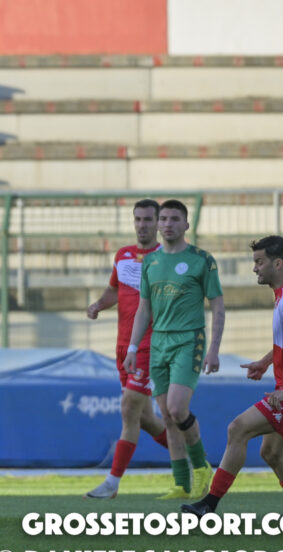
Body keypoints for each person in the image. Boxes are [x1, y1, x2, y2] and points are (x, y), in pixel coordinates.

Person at [182, 236, 283, 517]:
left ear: (278, 263)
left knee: (238, 428)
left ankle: (208, 505)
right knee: (271, 452)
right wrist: (266, 361)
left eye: (259, 262)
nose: (254, 268)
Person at [127, 199, 224, 500]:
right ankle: (181, 484)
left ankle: (202, 467)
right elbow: (144, 309)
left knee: (177, 408)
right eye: (164, 219)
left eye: (174, 219)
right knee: (168, 417)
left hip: (188, 340)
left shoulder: (201, 260)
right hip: (158, 343)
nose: (168, 224)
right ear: (158, 224)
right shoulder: (150, 262)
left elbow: (218, 306)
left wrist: (214, 349)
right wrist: (132, 347)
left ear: (186, 225)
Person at [84, 199, 169, 499]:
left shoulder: (166, 258)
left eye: (148, 219)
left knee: (129, 408)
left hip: (149, 347)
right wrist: (98, 304)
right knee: (144, 418)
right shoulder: (123, 255)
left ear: (158, 223)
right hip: (123, 347)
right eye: (138, 219)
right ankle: (191, 456)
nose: (142, 225)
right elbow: (114, 290)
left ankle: (112, 482)